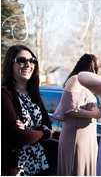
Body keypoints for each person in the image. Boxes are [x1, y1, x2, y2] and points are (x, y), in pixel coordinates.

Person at [1, 45, 53, 176]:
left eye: (32, 60)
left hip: (40, 163)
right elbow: (17, 136)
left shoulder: (34, 94)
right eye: (21, 60)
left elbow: (49, 126)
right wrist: (43, 133)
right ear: (10, 64)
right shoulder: (4, 94)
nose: (28, 64)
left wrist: (30, 132)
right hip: (18, 167)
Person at [53, 54, 101, 176]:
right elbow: (68, 109)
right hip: (76, 138)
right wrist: (95, 114)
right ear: (92, 68)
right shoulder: (76, 80)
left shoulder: (89, 87)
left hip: (88, 138)